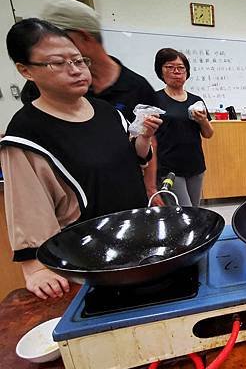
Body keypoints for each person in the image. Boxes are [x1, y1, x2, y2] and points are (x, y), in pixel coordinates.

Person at [1, 18, 161, 300]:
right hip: (87, 259)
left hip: (137, 239)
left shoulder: (106, 112)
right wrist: (35, 269)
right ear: (25, 70)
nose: (75, 71)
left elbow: (130, 162)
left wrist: (144, 139)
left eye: (78, 60)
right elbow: (26, 206)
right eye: (57, 63)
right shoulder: (26, 132)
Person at [21, 0, 162, 202]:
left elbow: (149, 142)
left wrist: (150, 188)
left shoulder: (135, 87)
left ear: (83, 37)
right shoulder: (42, 90)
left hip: (126, 193)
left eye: (58, 39)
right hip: (73, 199)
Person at [154, 48, 214, 206]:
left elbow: (208, 134)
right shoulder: (155, 99)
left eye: (181, 67)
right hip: (169, 168)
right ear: (161, 71)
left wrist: (202, 121)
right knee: (183, 211)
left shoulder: (196, 101)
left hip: (195, 165)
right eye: (169, 67)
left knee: (194, 210)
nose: (176, 71)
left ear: (187, 72)